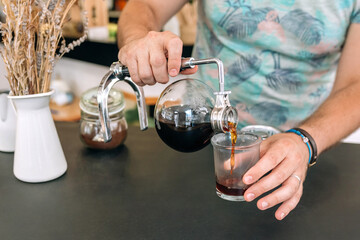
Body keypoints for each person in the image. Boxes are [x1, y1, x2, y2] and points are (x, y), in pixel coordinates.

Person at [117, 0, 360, 220]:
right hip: (199, 141)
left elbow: (355, 84)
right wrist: (137, 38)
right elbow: (144, 6)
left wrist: (305, 141)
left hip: (301, 155)